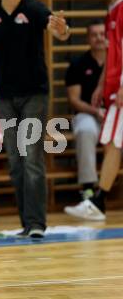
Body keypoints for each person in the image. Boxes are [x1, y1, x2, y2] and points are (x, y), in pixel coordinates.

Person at [0, 0, 70, 238]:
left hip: (34, 94)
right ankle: (26, 222)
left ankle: (37, 223)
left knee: (32, 157)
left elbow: (60, 31)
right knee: (16, 161)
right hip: (4, 97)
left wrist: (62, 30)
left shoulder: (34, 9)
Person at [65, 0, 123, 221]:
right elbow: (114, 52)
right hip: (112, 88)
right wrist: (102, 82)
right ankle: (98, 201)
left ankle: (97, 202)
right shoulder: (112, 10)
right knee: (112, 143)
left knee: (112, 143)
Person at [63, 20, 105, 213]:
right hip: (88, 114)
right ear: (88, 38)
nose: (99, 38)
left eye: (102, 33)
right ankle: (88, 188)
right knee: (86, 130)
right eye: (94, 34)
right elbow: (74, 100)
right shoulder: (78, 64)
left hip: (114, 114)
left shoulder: (117, 62)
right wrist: (96, 111)